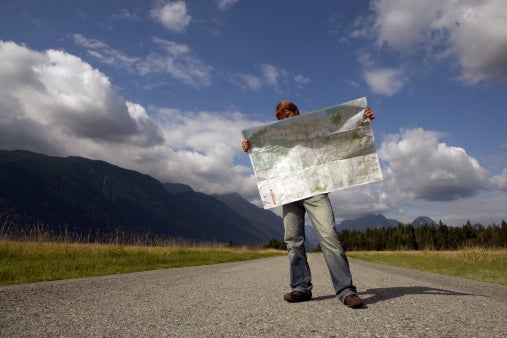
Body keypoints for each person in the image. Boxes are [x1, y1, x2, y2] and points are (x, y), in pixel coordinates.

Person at [242, 100, 375, 309]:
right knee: (293, 241)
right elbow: (264, 155)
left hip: (315, 190)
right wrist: (250, 147)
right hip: (289, 193)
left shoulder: (312, 128)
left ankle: (346, 290)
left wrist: (361, 118)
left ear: (297, 113)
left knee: (329, 236)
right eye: (283, 117)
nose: (287, 118)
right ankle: (301, 288)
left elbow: (336, 132)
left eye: (290, 113)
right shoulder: (275, 138)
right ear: (279, 119)